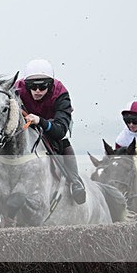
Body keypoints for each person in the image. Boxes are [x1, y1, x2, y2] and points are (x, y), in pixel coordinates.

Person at [15, 59, 86, 204]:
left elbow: (60, 130)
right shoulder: (17, 89)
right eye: (32, 86)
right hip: (26, 125)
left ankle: (75, 180)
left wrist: (41, 121)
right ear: (26, 85)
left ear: (50, 84)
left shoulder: (60, 93)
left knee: (63, 140)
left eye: (42, 87)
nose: (37, 91)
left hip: (53, 125)